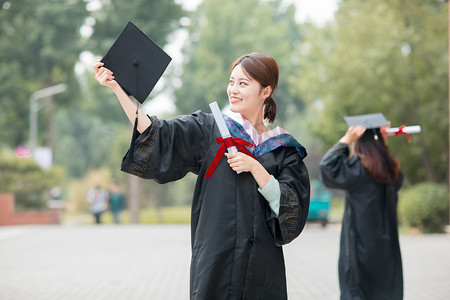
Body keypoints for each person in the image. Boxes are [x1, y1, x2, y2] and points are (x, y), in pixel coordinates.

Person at [93, 52, 310, 300]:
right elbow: (157, 132)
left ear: (265, 91)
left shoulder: (283, 149)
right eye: (231, 82)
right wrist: (118, 89)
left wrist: (256, 168)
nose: (234, 90)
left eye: (243, 83)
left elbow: (292, 212)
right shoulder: (210, 129)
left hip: (262, 270)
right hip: (217, 263)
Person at [319, 123, 403, 300]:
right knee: (384, 291)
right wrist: (383, 144)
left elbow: (327, 166)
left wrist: (346, 140)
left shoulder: (358, 168)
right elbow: (387, 161)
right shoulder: (391, 168)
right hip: (386, 247)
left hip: (359, 245)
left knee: (358, 291)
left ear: (359, 145)